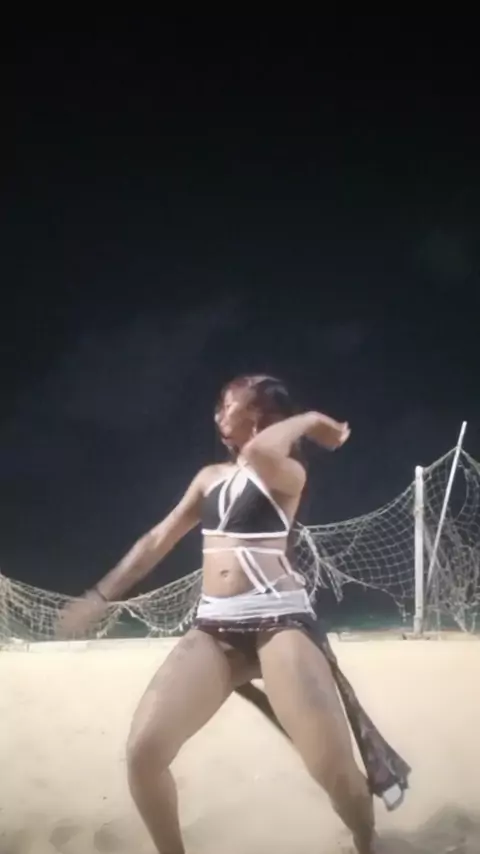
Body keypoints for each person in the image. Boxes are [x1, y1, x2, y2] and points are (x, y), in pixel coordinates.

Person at [58, 375, 410, 854]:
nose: (218, 412)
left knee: (333, 769)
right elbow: (157, 540)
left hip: (280, 624)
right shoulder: (209, 478)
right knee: (144, 753)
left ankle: (366, 841)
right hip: (214, 627)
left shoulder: (287, 473)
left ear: (260, 416)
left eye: (229, 404)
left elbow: (261, 453)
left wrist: (309, 420)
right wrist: (100, 595)